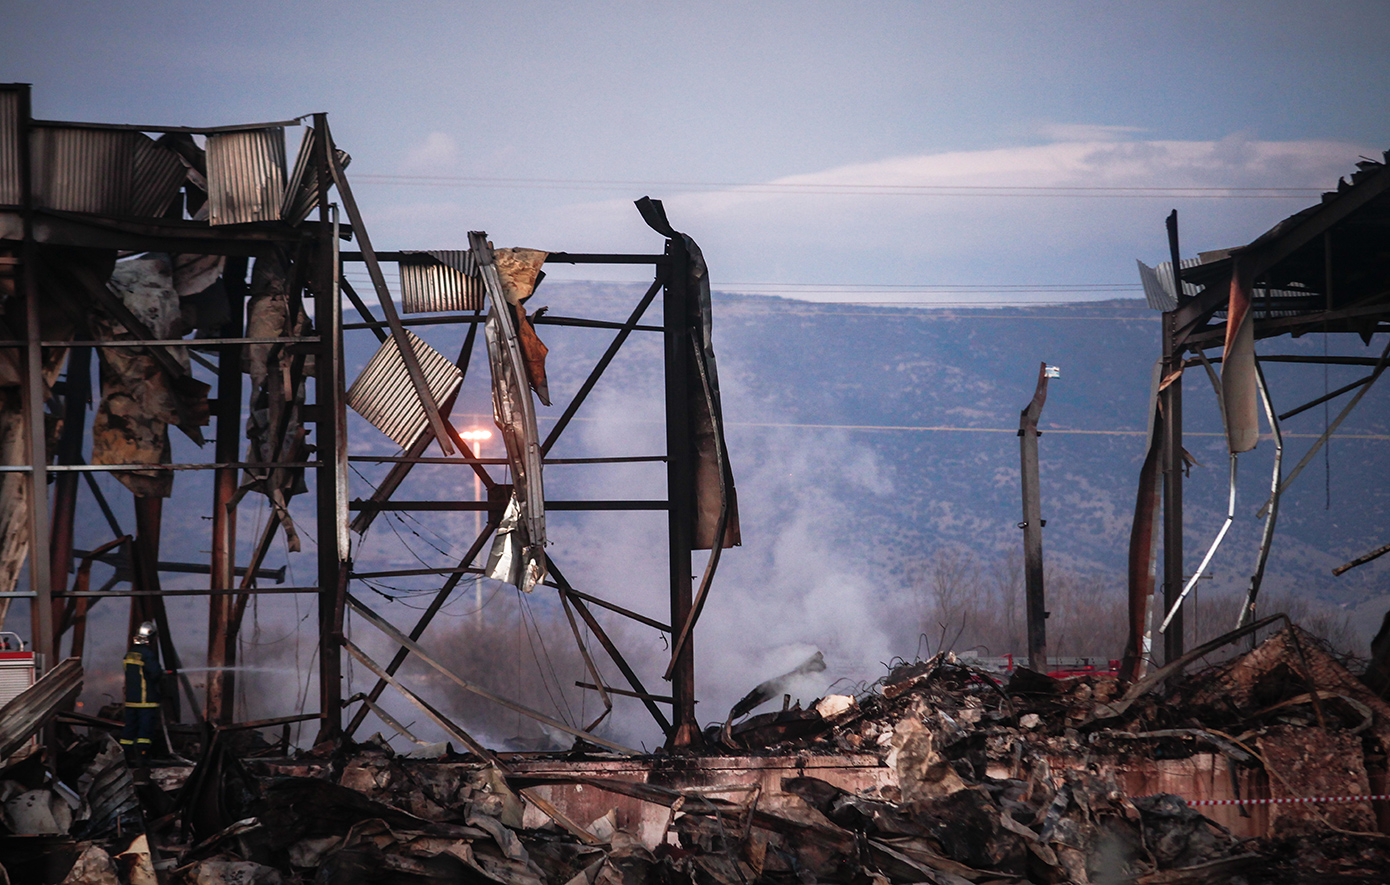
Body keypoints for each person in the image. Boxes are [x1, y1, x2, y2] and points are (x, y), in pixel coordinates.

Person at [121, 621, 161, 765]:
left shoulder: (130, 654)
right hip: (146, 700)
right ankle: (142, 757)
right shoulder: (147, 655)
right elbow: (155, 674)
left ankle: (125, 755)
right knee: (145, 729)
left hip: (131, 700)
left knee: (130, 728)